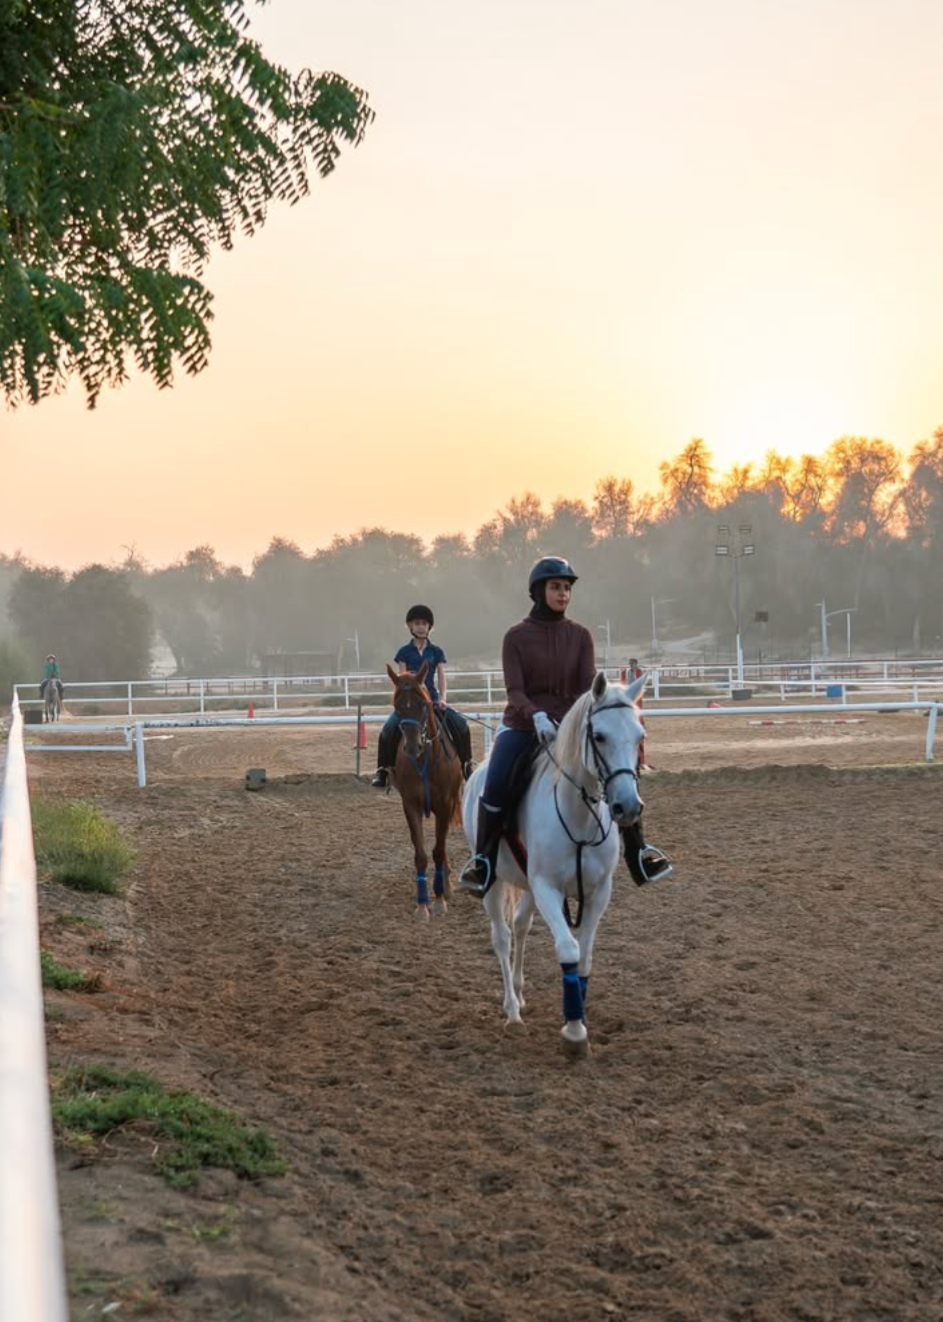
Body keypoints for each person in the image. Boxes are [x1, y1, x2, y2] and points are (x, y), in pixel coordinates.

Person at [458, 557, 672, 897]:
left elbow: (588, 687)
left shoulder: (581, 636)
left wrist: (571, 720)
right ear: (539, 592)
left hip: (570, 727)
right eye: (556, 587)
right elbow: (515, 690)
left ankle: (638, 852)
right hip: (523, 725)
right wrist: (536, 716)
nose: (563, 593)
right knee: (496, 781)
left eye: (567, 588)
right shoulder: (515, 637)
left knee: (620, 771)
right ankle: (483, 861)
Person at [371, 604, 474, 788]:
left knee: (461, 725)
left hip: (432, 702)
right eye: (417, 623)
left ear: (429, 626)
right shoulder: (403, 652)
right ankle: (382, 770)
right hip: (410, 705)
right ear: (410, 626)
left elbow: (442, 677)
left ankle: (466, 765)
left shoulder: (436, 652)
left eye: (424, 623)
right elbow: (402, 681)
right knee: (387, 730)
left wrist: (442, 699)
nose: (421, 627)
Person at [627, 656, 653, 772]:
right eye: (631, 664)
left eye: (633, 664)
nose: (632, 665)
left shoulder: (639, 672)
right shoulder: (628, 673)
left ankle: (640, 760)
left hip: (637, 702)